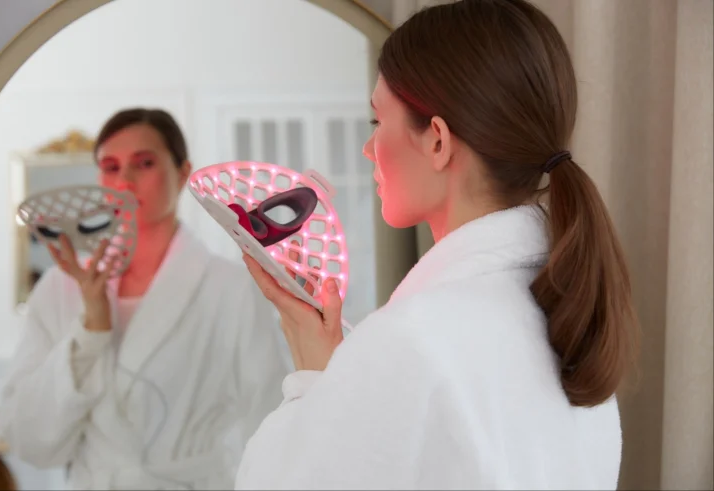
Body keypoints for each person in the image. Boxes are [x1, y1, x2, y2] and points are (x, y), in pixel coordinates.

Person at [234, 1, 641, 489]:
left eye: (377, 123)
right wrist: (335, 371)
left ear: (438, 142)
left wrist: (313, 380)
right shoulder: (570, 327)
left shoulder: (412, 340)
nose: (368, 150)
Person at [0, 108, 292, 490]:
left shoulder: (230, 287)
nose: (125, 180)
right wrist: (90, 332)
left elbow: (270, 419)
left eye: (145, 163)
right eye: (111, 167)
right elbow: (28, 439)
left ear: (183, 173)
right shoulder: (59, 288)